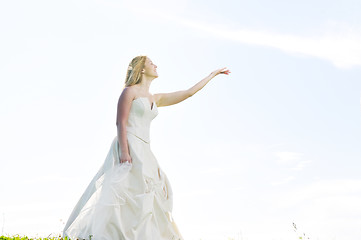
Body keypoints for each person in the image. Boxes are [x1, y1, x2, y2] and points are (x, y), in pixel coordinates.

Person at [62, 55, 231, 240]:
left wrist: (212, 74)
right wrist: (125, 153)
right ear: (141, 69)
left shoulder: (154, 98)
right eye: (151, 63)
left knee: (148, 199)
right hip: (128, 145)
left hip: (145, 150)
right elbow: (121, 122)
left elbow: (188, 93)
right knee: (123, 195)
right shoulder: (129, 92)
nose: (156, 65)